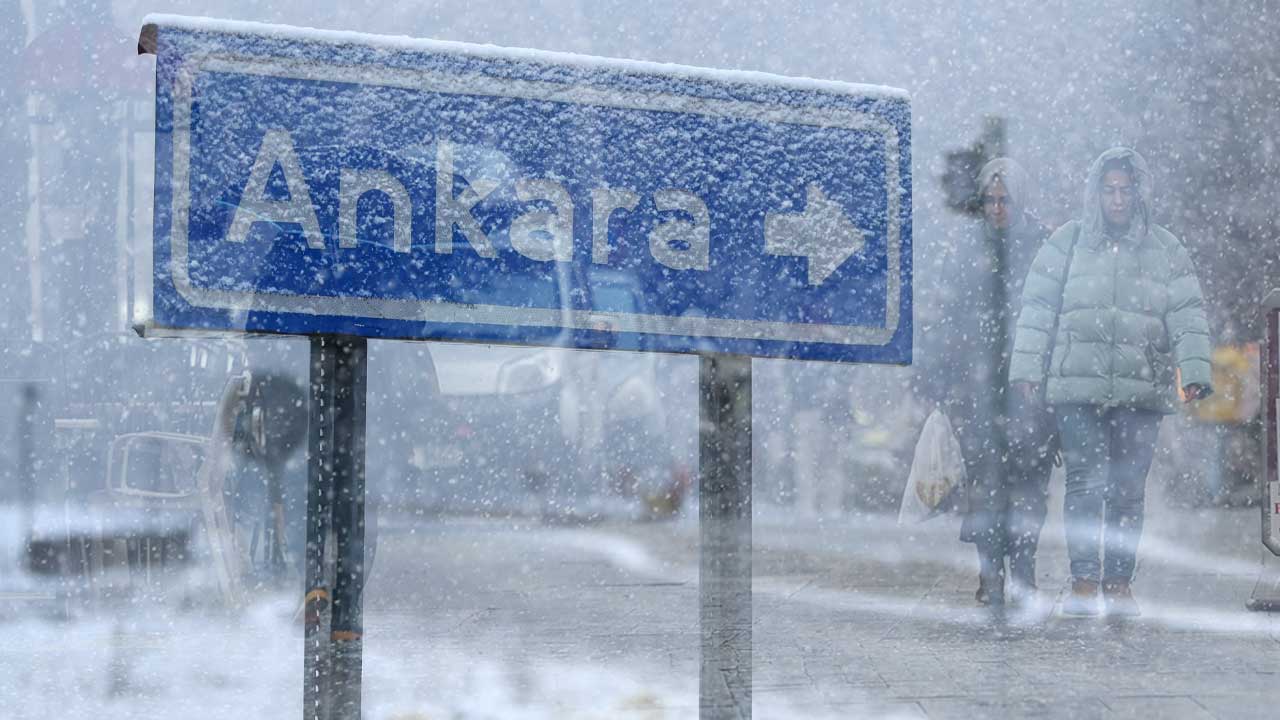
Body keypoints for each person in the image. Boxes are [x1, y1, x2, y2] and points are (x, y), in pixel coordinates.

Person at [1010, 147, 1212, 617]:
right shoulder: (1067, 243)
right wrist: (1026, 368)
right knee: (1083, 483)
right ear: (1095, 193)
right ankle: (1084, 579)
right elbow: (1037, 308)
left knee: (1127, 488)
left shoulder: (1166, 249)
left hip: (1141, 386)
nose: (1117, 200)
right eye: (1110, 190)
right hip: (1077, 387)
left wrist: (1196, 370)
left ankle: (1118, 581)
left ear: (1139, 194)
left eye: (1125, 190)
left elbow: (1187, 314)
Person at [951, 158, 1058, 610]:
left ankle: (1025, 575)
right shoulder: (966, 250)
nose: (997, 208)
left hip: (1029, 389)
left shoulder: (1043, 248)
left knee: (1029, 487)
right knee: (986, 487)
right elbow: (950, 321)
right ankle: (991, 575)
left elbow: (1055, 319)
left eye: (1005, 199)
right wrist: (947, 387)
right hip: (979, 391)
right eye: (991, 199)